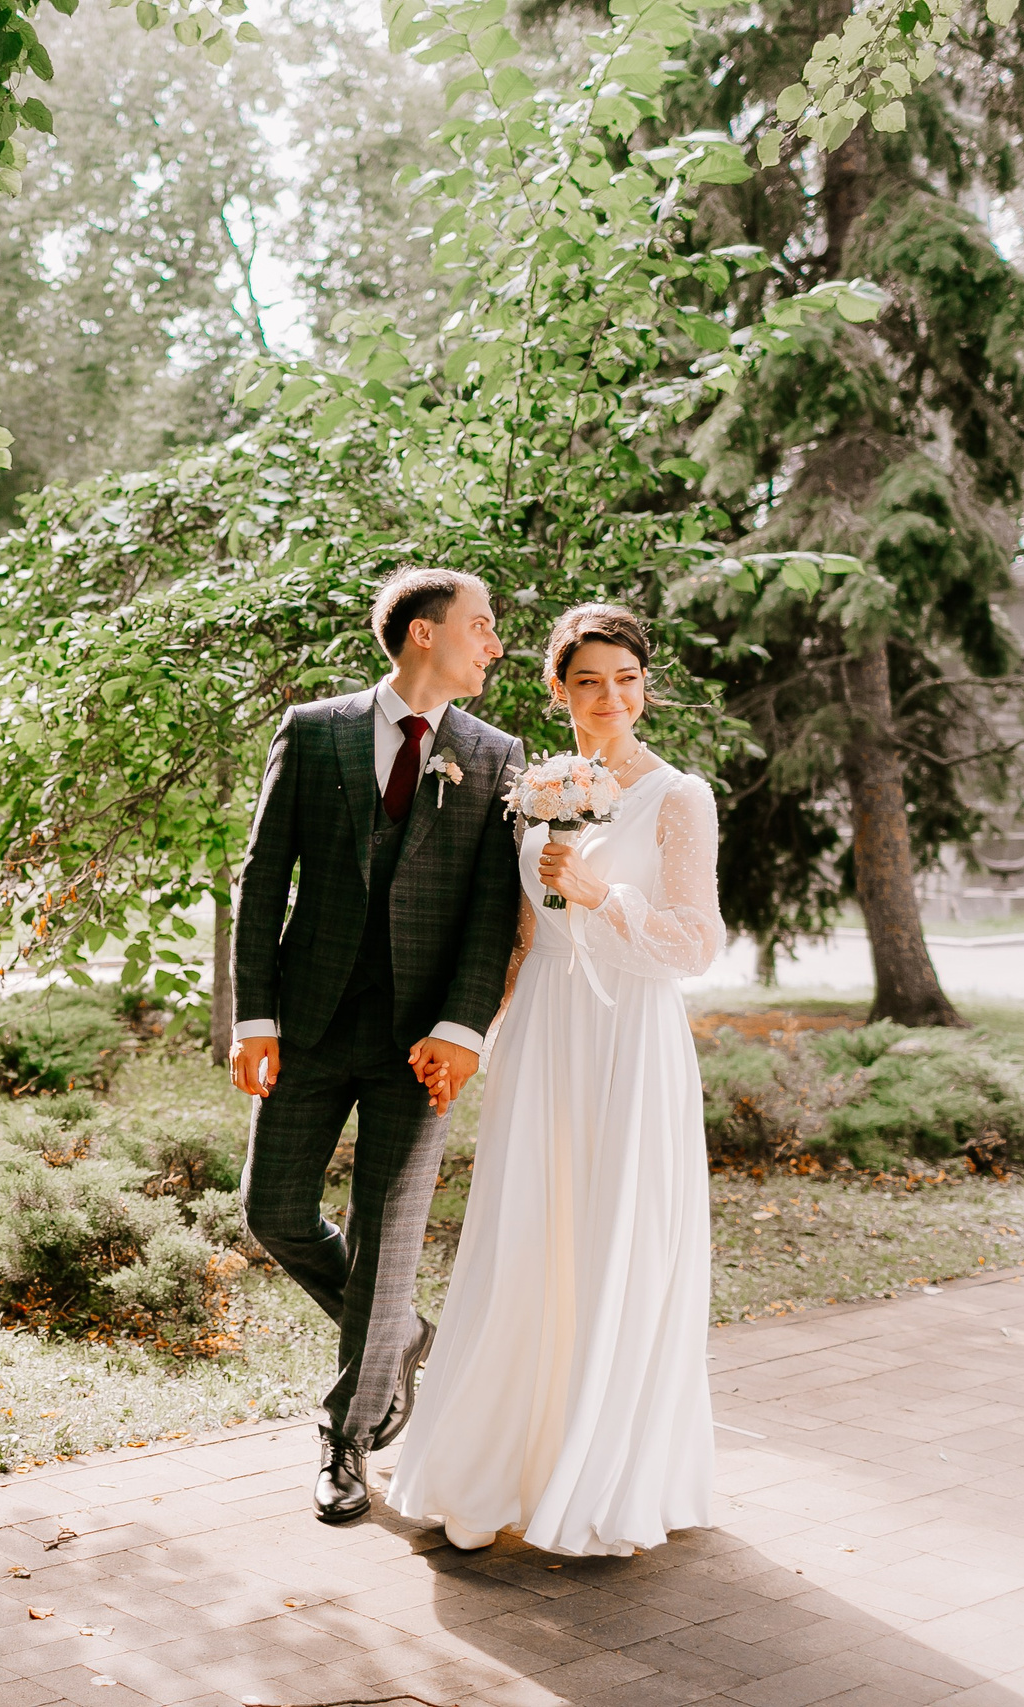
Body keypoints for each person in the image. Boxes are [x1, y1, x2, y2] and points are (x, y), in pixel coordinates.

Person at [386, 602, 726, 1557]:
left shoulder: (679, 797)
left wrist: (602, 895)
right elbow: (519, 933)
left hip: (630, 1037)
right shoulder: (531, 787)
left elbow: (696, 944)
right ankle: (498, 1470)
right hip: (543, 1030)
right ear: (557, 689)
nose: (610, 697)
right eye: (589, 681)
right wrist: (469, 1035)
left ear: (645, 686)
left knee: (614, 1240)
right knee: (527, 1236)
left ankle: (603, 1478)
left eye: (626, 679)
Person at [230, 566, 527, 1525]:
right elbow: (262, 876)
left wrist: (463, 1027)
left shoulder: (495, 754)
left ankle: (347, 1438)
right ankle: (397, 1330)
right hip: (310, 1021)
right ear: (424, 633)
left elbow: (492, 911)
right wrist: (254, 1016)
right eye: (481, 625)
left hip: (422, 1041)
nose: (494, 644)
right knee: (271, 1208)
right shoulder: (313, 730)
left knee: (388, 1230)